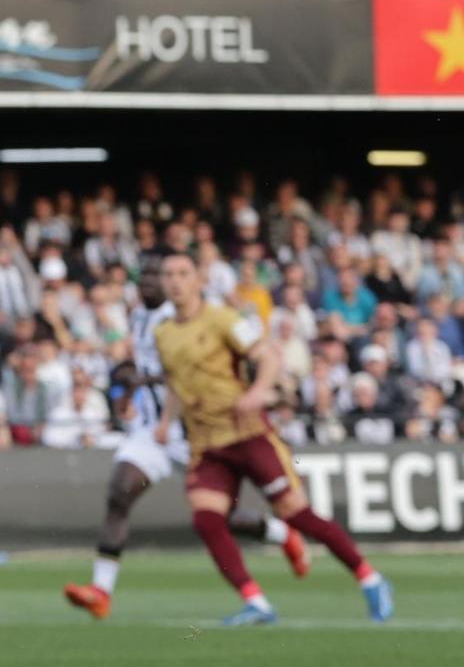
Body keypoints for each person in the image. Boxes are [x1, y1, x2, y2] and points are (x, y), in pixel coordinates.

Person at [152, 252, 392, 626]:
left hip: (248, 433)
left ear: (198, 279)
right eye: (168, 274)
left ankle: (369, 577)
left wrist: (258, 390)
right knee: (207, 520)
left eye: (182, 273)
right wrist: (166, 420)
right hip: (208, 443)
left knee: (297, 514)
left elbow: (268, 356)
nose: (175, 280)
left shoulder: (223, 319)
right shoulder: (163, 332)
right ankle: (257, 603)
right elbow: (173, 382)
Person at [63, 261, 307, 620]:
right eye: (143, 278)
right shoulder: (139, 317)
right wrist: (129, 384)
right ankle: (101, 591)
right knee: (120, 491)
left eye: (154, 278)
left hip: (193, 431)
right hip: (154, 430)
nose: (147, 285)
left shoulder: (180, 317)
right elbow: (148, 366)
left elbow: (180, 371)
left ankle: (280, 533)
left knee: (221, 516)